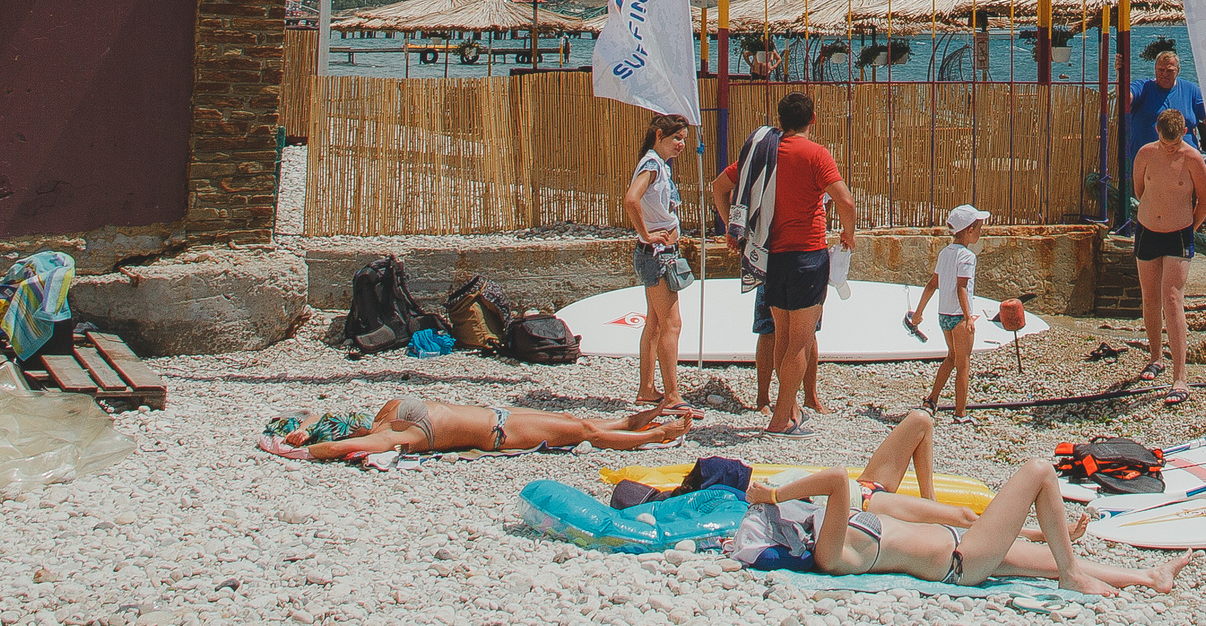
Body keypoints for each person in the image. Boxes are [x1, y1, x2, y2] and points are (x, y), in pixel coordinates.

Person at [735, 456, 1193, 597]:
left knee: (1051, 561)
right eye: (786, 525)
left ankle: (1151, 578)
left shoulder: (831, 530)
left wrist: (1030, 532)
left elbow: (839, 492)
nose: (795, 522)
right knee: (1038, 472)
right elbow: (836, 479)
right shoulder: (829, 554)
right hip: (962, 562)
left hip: (965, 544)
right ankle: (1074, 574)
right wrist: (771, 496)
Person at [759, 91, 858, 435]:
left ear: (781, 119)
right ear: (812, 119)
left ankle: (789, 409)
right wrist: (849, 234)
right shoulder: (816, 153)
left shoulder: (766, 152)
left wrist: (733, 227)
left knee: (782, 338)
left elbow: (720, 185)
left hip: (773, 256)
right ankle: (780, 420)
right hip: (807, 254)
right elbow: (844, 200)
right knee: (800, 342)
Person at [710, 154, 820, 417]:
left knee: (797, 332)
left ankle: (805, 398)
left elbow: (718, 186)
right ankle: (769, 399)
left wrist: (733, 229)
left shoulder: (768, 157)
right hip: (783, 254)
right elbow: (719, 186)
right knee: (778, 330)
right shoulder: (773, 158)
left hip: (781, 254)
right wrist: (733, 229)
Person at [258, 399, 692, 462]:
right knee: (582, 431)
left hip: (499, 416)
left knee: (581, 426)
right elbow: (339, 444)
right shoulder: (394, 435)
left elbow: (320, 417)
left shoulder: (386, 421)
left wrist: (304, 435)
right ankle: (654, 435)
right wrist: (301, 451)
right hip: (499, 433)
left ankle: (634, 423)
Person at [1128, 107, 1206, 405]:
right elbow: (1139, 189)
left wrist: (1189, 225)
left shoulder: (1192, 159)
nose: (1170, 149)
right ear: (1157, 133)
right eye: (1166, 144)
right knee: (1150, 296)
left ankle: (1180, 376)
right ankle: (1155, 357)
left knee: (1173, 298)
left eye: (1175, 144)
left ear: (1184, 134)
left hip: (1178, 233)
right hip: (1148, 229)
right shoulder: (1145, 154)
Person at [1124, 42, 1206, 245]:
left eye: (1169, 70)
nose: (1164, 74)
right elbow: (1126, 98)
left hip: (1188, 155)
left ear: (1178, 70)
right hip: (1153, 156)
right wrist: (1120, 75)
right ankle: (1152, 228)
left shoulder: (1190, 90)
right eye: (1160, 70)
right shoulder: (1144, 87)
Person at [622, 113, 693, 412]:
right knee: (671, 324)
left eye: (684, 140)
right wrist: (647, 235)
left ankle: (647, 389)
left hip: (658, 253)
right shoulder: (652, 165)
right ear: (659, 135)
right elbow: (630, 199)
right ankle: (673, 394)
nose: (681, 145)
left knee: (653, 323)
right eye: (676, 138)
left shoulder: (658, 165)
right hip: (658, 255)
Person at [907, 205, 987, 420]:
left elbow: (933, 283)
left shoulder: (945, 253)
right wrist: (969, 317)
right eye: (979, 227)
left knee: (951, 358)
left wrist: (919, 312)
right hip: (959, 317)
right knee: (963, 364)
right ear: (969, 231)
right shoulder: (968, 257)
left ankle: (932, 398)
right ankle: (960, 413)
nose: (981, 231)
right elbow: (962, 288)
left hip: (943, 316)